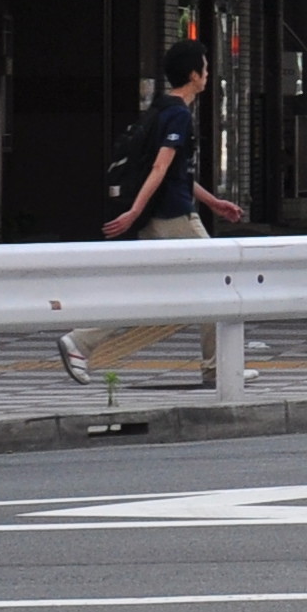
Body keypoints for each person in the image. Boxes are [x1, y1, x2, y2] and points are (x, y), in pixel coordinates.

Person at [62, 44, 243, 385]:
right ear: (193, 75)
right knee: (221, 281)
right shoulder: (178, 114)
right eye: (204, 68)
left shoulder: (161, 109)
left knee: (150, 295)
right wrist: (134, 211)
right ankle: (217, 368)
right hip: (173, 218)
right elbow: (159, 168)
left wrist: (213, 202)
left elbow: (178, 175)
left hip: (161, 217)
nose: (207, 73)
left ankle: (80, 342)